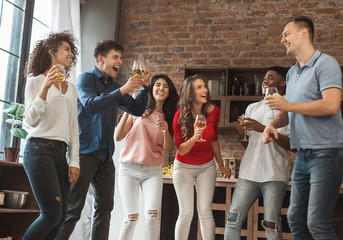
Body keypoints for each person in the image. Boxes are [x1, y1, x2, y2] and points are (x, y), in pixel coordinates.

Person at [56, 40, 150, 240]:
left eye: (121, 58)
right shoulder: (85, 80)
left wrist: (145, 88)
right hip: (84, 155)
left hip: (106, 157)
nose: (120, 61)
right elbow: (90, 105)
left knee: (105, 209)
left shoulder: (115, 86)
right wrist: (123, 90)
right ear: (101, 58)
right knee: (72, 210)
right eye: (116, 57)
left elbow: (136, 110)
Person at [263, 16, 343, 239]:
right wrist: (273, 123)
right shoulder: (292, 72)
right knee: (296, 220)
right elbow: (289, 109)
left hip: (326, 153)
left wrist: (288, 104)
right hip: (302, 157)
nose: (282, 40)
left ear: (303, 33)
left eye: (286, 34)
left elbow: (332, 105)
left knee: (317, 222)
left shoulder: (326, 64)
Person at [23, 31, 80, 240]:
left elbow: (73, 126)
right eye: (66, 49)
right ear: (51, 52)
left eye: (72, 51)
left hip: (60, 154)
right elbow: (31, 120)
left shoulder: (71, 89)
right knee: (51, 214)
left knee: (62, 215)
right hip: (39, 150)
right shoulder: (36, 82)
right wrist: (45, 87)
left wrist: (75, 161)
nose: (71, 54)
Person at [224, 66, 293, 240]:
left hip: (274, 174)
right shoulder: (252, 108)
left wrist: (263, 128)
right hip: (248, 173)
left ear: (283, 82)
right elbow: (248, 145)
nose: (265, 80)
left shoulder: (290, 109)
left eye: (270, 77)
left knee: (271, 223)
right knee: (232, 219)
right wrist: (241, 134)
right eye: (264, 78)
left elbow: (293, 145)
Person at [114, 74, 179, 240]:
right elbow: (118, 136)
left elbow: (167, 147)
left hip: (152, 171)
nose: (161, 88)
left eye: (165, 86)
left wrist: (166, 130)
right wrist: (130, 110)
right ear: (152, 89)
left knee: (152, 216)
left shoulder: (170, 117)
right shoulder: (139, 108)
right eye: (158, 85)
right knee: (131, 217)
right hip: (129, 169)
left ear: (169, 92)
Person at [173, 74, 231, 240]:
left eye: (204, 86)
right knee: (186, 213)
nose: (205, 90)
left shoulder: (214, 111)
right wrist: (194, 137)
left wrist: (220, 164)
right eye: (199, 87)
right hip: (183, 166)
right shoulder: (179, 116)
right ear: (190, 93)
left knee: (205, 210)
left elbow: (214, 140)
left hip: (206, 166)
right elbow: (181, 150)